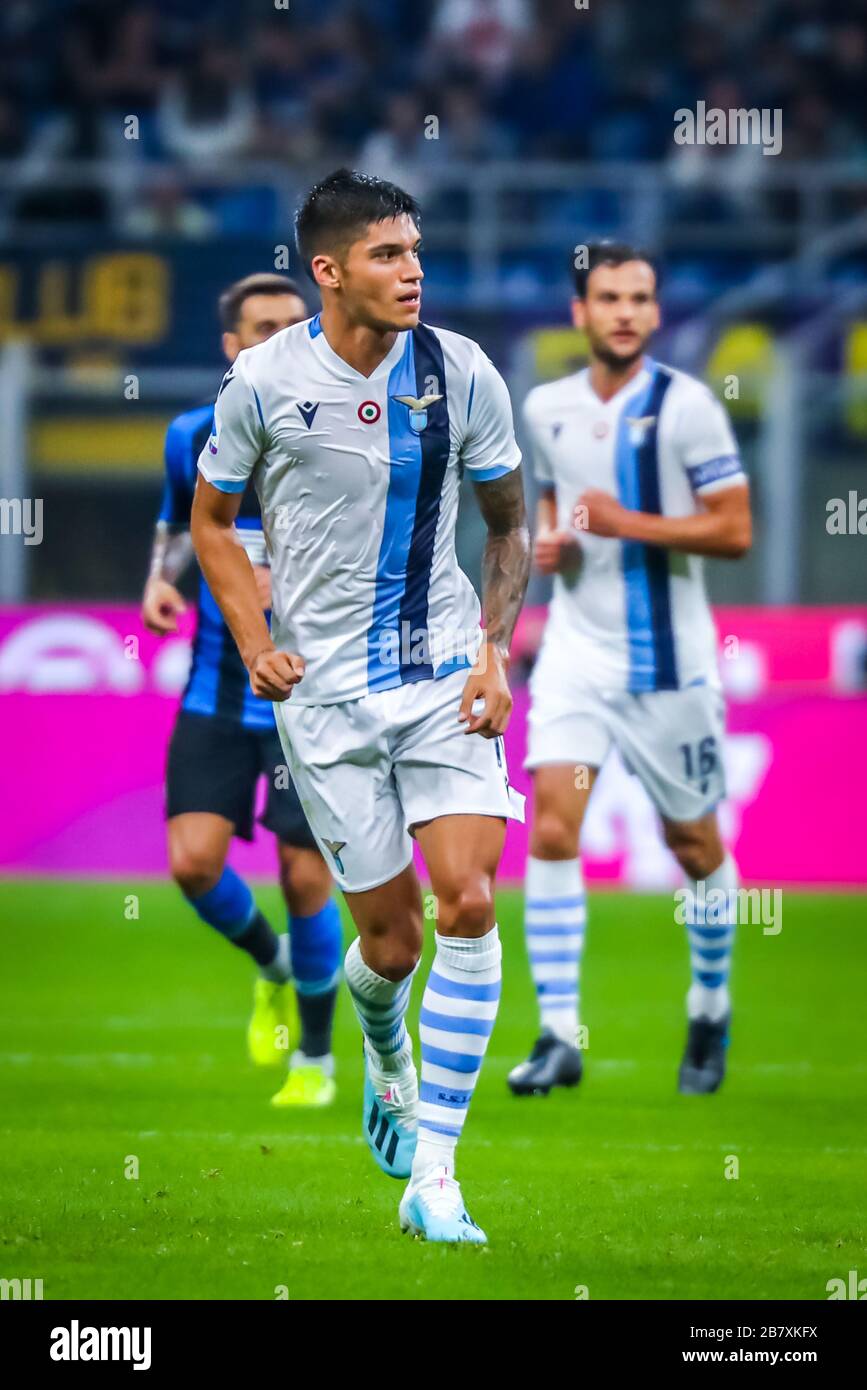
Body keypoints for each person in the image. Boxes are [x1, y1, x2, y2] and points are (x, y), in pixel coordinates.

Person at [191, 169, 530, 1244]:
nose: (413, 269)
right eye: (387, 254)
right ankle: (382, 1038)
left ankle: (436, 1174)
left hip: (442, 677)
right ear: (328, 271)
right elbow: (212, 520)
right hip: (328, 700)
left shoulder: (463, 370)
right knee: (389, 946)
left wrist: (495, 650)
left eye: (416, 249)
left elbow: (510, 523)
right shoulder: (262, 383)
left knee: (467, 903)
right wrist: (255, 643)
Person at [509, 241, 751, 1099]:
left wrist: (627, 522)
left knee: (693, 845)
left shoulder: (689, 410)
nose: (623, 311)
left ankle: (709, 1003)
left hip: (671, 667)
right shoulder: (543, 408)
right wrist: (549, 539)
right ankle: (558, 1033)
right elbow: (546, 496)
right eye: (607, 297)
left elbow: (732, 531)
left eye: (638, 298)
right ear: (579, 312)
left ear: (654, 313)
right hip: (575, 653)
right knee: (549, 830)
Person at [141, 273, 343, 1109]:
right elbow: (180, 527)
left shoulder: (338, 431)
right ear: (230, 344)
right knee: (192, 865)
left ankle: (317, 1066)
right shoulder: (191, 433)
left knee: (305, 879)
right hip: (217, 692)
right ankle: (273, 965)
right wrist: (159, 583)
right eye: (261, 326)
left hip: (312, 700)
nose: (279, 337)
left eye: (294, 324)